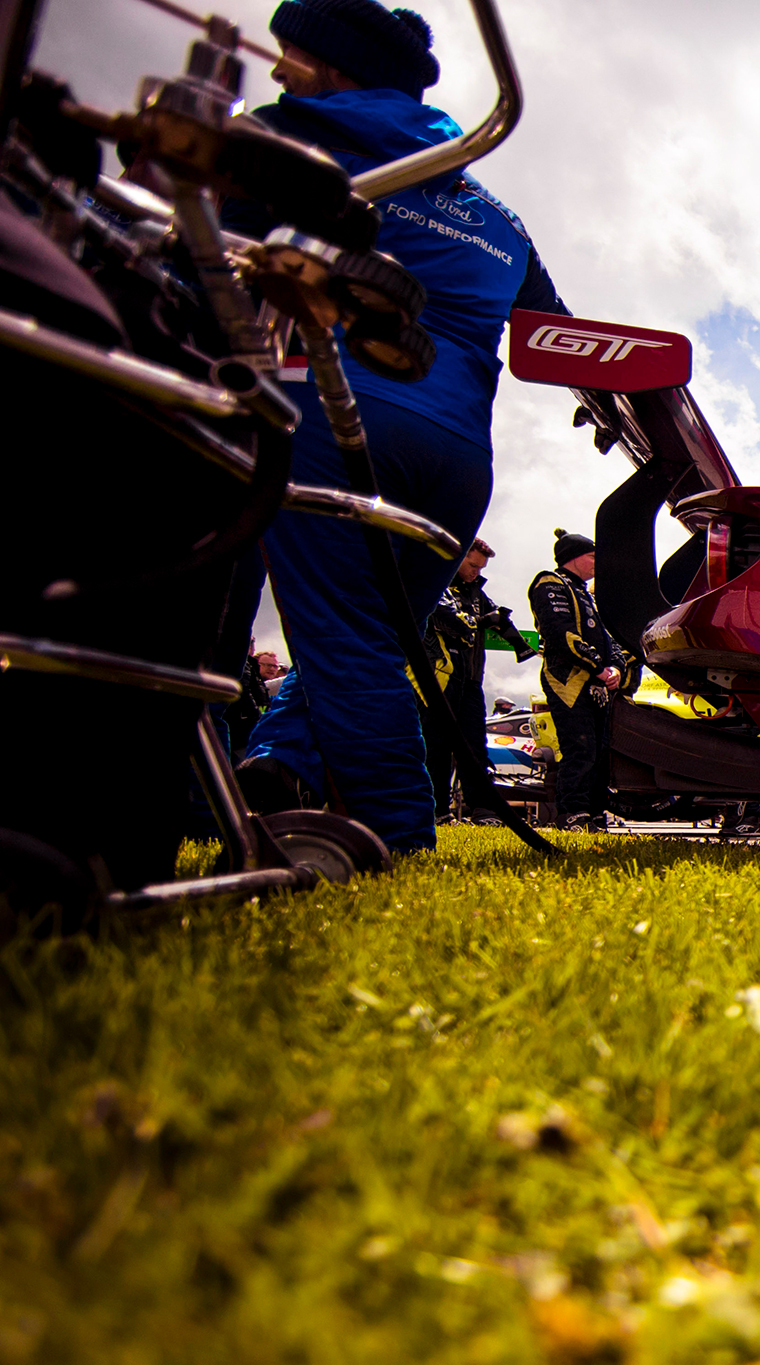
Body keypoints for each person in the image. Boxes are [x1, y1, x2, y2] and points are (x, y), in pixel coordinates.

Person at [232, 0, 567, 852]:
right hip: (458, 458)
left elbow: (177, 223)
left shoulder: (294, 134)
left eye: (291, 54)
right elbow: (556, 334)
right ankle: (271, 765)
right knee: (372, 636)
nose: (276, 70)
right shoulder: (496, 210)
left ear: (336, 68)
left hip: (334, 413)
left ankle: (392, 835)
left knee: (344, 638)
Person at [530, 530, 632, 829]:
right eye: (592, 556)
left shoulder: (587, 593)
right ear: (574, 558)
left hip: (598, 684)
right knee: (580, 749)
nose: (597, 563)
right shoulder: (549, 583)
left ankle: (596, 814)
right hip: (568, 680)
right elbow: (560, 634)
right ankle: (572, 813)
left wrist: (615, 668)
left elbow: (607, 638)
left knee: (601, 753)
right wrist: (599, 667)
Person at [420, 538, 527, 820]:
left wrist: (521, 646)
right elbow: (447, 619)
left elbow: (499, 618)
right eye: (472, 565)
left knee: (474, 746)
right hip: (438, 677)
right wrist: (482, 620)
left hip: (470, 679)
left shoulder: (476, 592)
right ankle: (437, 810)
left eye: (481, 567)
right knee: (437, 745)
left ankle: (481, 809)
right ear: (457, 557)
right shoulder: (435, 581)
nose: (476, 572)